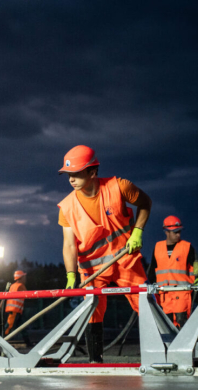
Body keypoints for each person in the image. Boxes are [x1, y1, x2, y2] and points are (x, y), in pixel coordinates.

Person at [57, 145, 151, 363]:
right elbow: (69, 245)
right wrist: (71, 275)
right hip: (92, 268)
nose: (71, 179)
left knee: (146, 303)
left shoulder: (119, 187)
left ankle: (159, 354)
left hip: (126, 260)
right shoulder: (67, 207)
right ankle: (95, 361)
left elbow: (145, 203)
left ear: (92, 171)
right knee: (92, 311)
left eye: (76, 173)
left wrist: (138, 231)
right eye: (68, 174)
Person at [148, 216, 198, 328]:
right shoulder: (158, 248)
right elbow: (152, 271)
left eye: (179, 232)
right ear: (166, 232)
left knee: (182, 326)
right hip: (164, 297)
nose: (178, 235)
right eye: (175, 232)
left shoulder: (187, 247)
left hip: (182, 295)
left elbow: (197, 265)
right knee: (165, 327)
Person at [4, 270, 27, 336]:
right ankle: (1, 341)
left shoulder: (12, 286)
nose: (25, 279)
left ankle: (28, 342)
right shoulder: (21, 286)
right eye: (24, 277)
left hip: (13, 309)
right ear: (21, 277)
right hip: (16, 310)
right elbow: (28, 296)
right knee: (8, 327)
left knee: (21, 327)